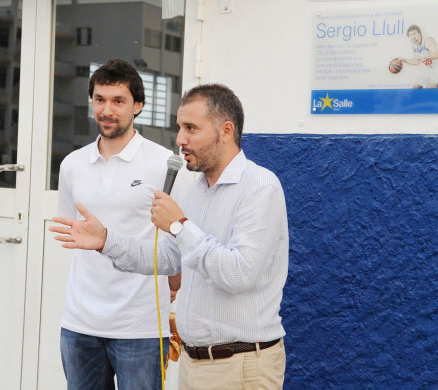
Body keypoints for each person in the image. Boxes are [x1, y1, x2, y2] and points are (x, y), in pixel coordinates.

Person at [50, 83, 289, 389]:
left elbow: (238, 273)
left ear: (226, 131)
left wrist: (178, 225)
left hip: (240, 366)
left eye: (191, 128)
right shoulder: (200, 189)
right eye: (179, 128)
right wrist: (107, 240)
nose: (180, 140)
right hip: (194, 363)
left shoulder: (259, 187)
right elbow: (168, 257)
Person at [56, 59, 185, 390]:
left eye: (118, 100)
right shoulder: (72, 165)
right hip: (79, 322)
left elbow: (176, 246)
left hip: (138, 327)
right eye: (100, 99)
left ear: (138, 106)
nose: (107, 110)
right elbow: (73, 231)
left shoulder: (163, 164)